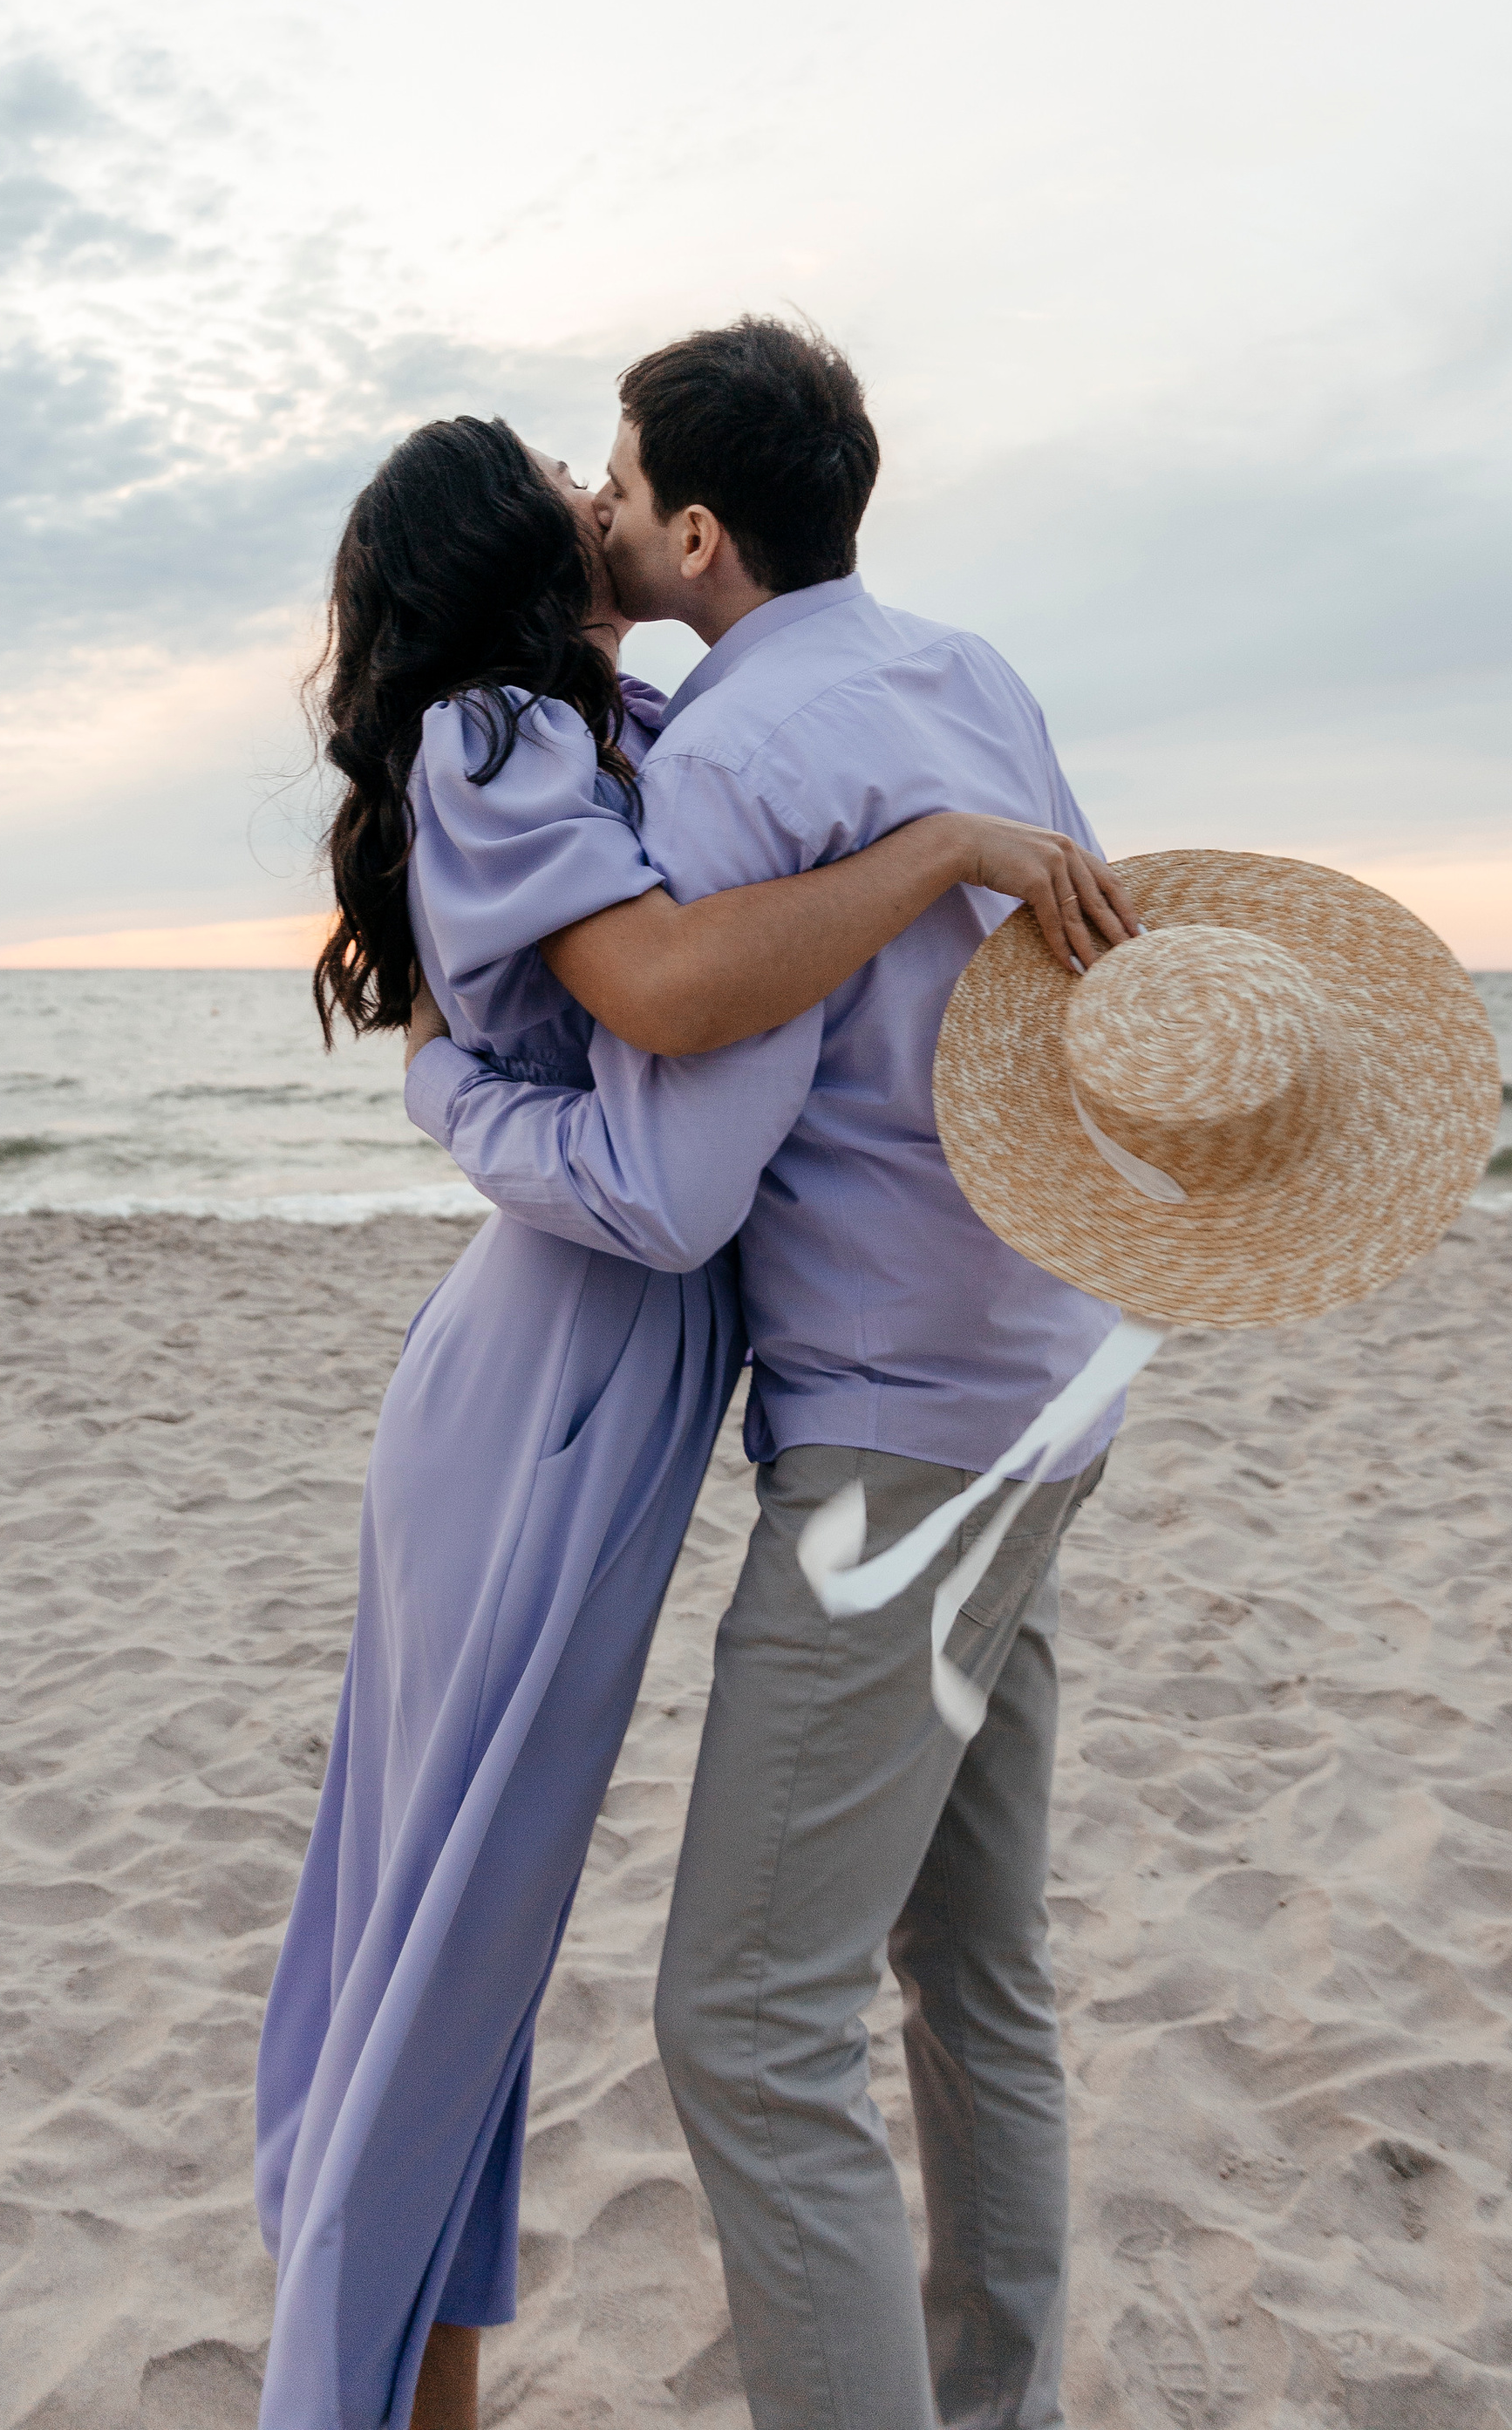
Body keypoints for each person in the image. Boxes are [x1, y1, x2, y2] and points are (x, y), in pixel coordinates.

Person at [255, 409, 1130, 2430]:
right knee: (444, 1930)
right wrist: (453, 1089)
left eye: (618, 466)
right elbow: (665, 1162)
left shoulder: (665, 726)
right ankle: (368, 2375)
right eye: (570, 480)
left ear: (695, 526)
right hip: (576, 1399)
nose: (597, 487)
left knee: (557, 1964)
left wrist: (455, 1090)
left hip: (763, 1392)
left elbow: (663, 1136)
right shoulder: (665, 725)